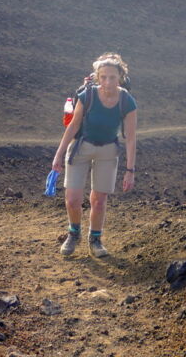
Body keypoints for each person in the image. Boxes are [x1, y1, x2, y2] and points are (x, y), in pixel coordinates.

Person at [51, 53, 137, 257]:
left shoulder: (127, 101)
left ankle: (95, 240)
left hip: (108, 151)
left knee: (98, 201)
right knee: (72, 199)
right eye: (104, 77)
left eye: (112, 77)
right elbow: (73, 126)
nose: (108, 82)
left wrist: (130, 171)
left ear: (120, 77)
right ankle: (73, 234)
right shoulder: (87, 96)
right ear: (98, 77)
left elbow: (131, 138)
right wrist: (58, 155)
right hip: (81, 148)